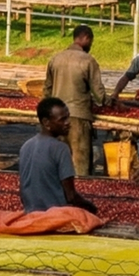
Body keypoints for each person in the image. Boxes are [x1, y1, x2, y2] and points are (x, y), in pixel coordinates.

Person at [44, 26, 107, 176]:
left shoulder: (55, 59)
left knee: (58, 161)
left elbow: (47, 89)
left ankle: (58, 194)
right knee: (80, 163)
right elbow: (99, 93)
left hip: (56, 117)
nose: (90, 45)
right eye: (90, 41)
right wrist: (110, 102)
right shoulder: (88, 60)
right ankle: (80, 193)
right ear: (86, 38)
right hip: (78, 117)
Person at [19, 97, 98, 215]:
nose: (68, 123)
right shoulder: (61, 149)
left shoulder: (26, 146)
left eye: (68, 117)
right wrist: (91, 208)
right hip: (55, 215)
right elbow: (71, 196)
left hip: (30, 213)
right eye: (62, 119)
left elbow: (23, 191)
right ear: (46, 123)